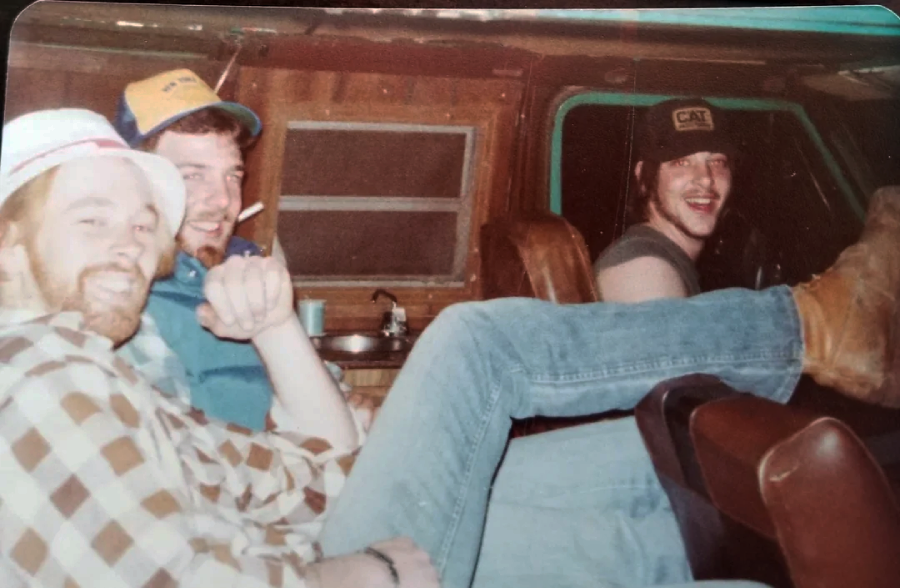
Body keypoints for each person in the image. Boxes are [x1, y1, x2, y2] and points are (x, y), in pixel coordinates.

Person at [3, 108, 900, 588]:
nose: (134, 240)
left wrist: (341, 390)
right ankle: (820, 323)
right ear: (9, 251)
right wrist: (373, 569)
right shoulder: (41, 374)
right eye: (93, 220)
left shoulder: (123, 356)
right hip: (328, 564)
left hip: (314, 522)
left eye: (139, 222)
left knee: (640, 458)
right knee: (475, 340)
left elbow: (311, 464)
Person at [113, 68, 359, 431]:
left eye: (233, 175)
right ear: (136, 181)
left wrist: (352, 402)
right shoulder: (127, 299)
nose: (224, 201)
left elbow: (328, 389)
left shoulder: (245, 266)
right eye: (193, 176)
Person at [594, 98, 735, 302]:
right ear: (644, 178)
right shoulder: (643, 270)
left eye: (717, 161)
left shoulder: (669, 259)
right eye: (681, 162)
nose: (706, 177)